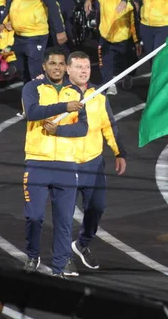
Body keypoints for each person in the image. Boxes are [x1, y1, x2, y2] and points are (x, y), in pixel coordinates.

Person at [21, 47, 88, 278]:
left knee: (64, 221)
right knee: (34, 216)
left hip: (66, 165)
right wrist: (63, 107)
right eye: (53, 64)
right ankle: (32, 254)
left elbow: (83, 127)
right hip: (37, 162)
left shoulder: (76, 93)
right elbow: (32, 112)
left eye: (61, 64)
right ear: (44, 66)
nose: (57, 68)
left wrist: (60, 130)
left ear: (66, 67)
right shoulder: (32, 88)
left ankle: (59, 268)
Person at [65, 51, 127, 270]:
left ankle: (82, 244)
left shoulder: (98, 95)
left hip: (93, 163)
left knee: (97, 207)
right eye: (79, 67)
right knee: (63, 213)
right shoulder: (57, 94)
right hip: (66, 163)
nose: (84, 71)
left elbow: (108, 125)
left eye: (87, 67)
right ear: (68, 69)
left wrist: (119, 153)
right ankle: (62, 259)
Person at [80, 0, 140, 94]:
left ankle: (128, 77)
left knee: (127, 63)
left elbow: (133, 23)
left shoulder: (129, 3)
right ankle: (109, 84)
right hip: (106, 39)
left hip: (124, 41)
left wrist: (136, 41)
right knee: (105, 64)